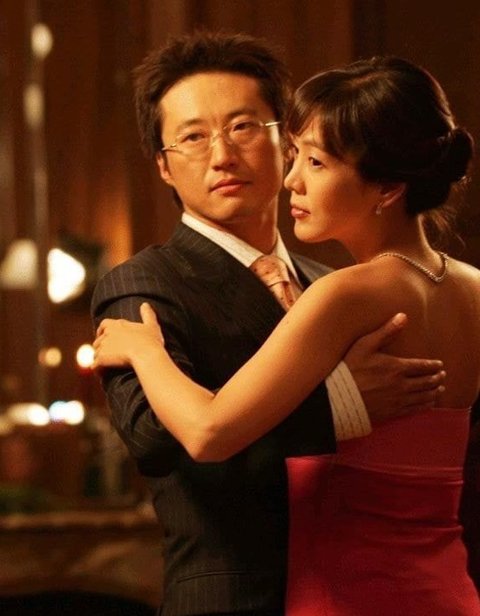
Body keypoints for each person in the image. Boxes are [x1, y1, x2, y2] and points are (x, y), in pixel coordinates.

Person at [93, 54, 480, 615]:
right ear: (163, 165)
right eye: (194, 137)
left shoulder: (337, 290)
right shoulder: (470, 286)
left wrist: (143, 350)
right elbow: (155, 441)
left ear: (388, 187)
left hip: (349, 592)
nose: (295, 178)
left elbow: (206, 431)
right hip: (440, 587)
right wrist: (339, 404)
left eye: (313, 161)